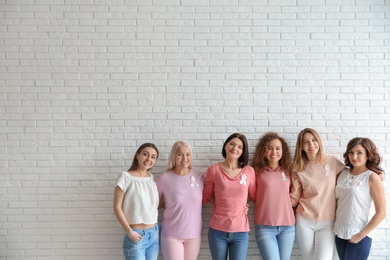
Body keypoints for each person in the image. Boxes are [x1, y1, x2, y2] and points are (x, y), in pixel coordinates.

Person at [290, 128, 345, 260]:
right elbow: (294, 198)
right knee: (308, 258)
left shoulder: (332, 161)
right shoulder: (298, 169)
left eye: (314, 140)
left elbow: (351, 176)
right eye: (306, 142)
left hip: (328, 222)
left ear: (319, 142)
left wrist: (373, 173)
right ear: (301, 147)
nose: (311, 145)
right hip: (304, 220)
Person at [202, 133, 256, 260]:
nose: (235, 148)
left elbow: (254, 195)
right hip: (217, 231)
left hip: (240, 232)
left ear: (243, 152)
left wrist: (242, 203)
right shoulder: (213, 170)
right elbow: (207, 196)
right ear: (225, 146)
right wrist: (223, 203)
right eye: (232, 144)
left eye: (240, 147)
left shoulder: (249, 171)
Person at [334, 137, 386, 260]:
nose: (354, 156)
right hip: (340, 232)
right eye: (351, 152)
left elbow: (381, 213)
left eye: (359, 153)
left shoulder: (372, 177)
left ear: (368, 155)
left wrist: (360, 235)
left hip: (359, 234)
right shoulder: (342, 174)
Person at [156, 141, 205, 260]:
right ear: (173, 156)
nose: (184, 158)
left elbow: (216, 197)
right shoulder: (164, 178)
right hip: (171, 234)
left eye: (188, 154)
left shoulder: (200, 177)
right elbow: (152, 203)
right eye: (180, 154)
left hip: (194, 233)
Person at [251, 132, 295, 260]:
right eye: (269, 148)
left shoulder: (289, 171)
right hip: (265, 227)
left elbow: (295, 194)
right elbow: (250, 194)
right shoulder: (256, 172)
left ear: (283, 151)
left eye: (277, 148)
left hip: (287, 227)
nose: (273, 152)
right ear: (263, 151)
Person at [113, 143, 160, 260]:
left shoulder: (151, 179)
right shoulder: (126, 177)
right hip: (136, 235)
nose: (149, 159)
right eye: (145, 154)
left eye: (153, 157)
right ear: (137, 155)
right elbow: (117, 207)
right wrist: (129, 231)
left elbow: (152, 206)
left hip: (154, 233)